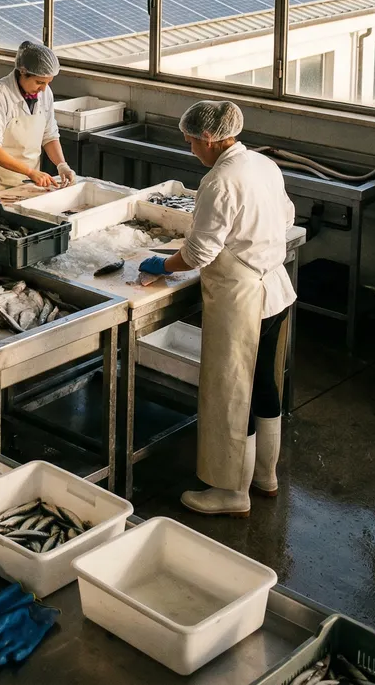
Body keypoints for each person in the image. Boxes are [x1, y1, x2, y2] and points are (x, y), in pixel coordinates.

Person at [139, 99, 296, 517]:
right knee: (264, 383)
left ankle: (231, 492)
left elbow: (199, 253)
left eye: (191, 141)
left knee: (230, 392)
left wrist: (161, 265)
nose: (190, 148)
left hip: (241, 298)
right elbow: (285, 217)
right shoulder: (263, 165)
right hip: (275, 289)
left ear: (208, 138)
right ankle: (265, 477)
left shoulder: (220, 180)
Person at [0, 41, 76, 197]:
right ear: (22, 72)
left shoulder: (45, 93)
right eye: (39, 82)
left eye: (48, 83)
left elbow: (49, 135)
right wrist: (30, 172)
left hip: (27, 183)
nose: (44, 88)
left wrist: (62, 164)